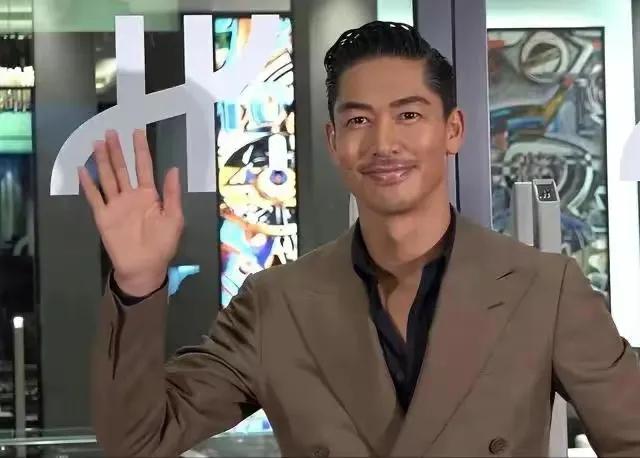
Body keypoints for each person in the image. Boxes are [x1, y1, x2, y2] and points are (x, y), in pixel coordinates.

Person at [82, 21, 640, 457]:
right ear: (332, 141)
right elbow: (140, 440)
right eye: (358, 121)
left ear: (452, 130)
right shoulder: (275, 304)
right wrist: (138, 283)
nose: (383, 143)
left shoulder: (544, 288)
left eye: (409, 114)